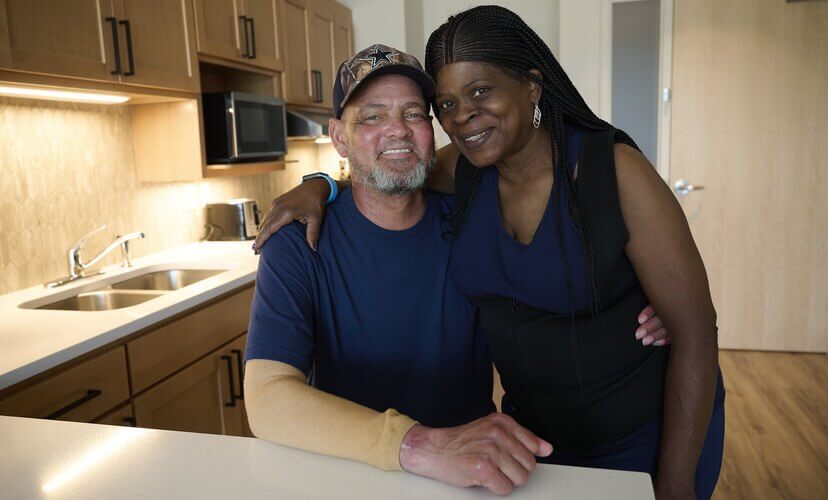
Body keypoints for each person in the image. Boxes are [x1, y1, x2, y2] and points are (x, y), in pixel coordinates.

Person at [253, 6, 724, 500]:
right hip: (520, 447)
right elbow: (382, 173)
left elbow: (695, 327)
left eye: (416, 113)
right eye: (447, 103)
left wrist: (675, 484)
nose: (462, 116)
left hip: (617, 440)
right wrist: (319, 184)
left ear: (532, 86)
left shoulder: (604, 173)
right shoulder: (456, 177)